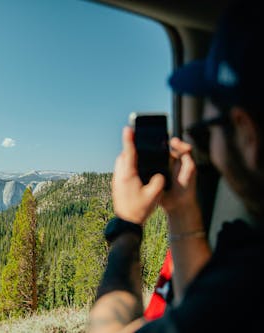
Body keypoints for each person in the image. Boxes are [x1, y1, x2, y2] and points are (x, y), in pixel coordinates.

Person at [87, 1, 264, 332]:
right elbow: (205, 311)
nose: (201, 145)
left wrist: (127, 227)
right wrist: (182, 210)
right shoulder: (241, 279)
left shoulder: (249, 283)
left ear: (247, 134)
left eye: (205, 130)